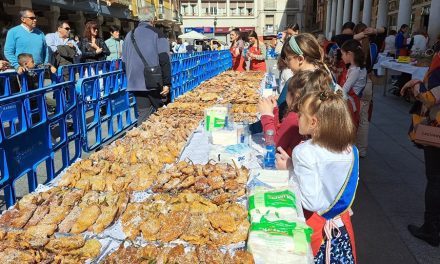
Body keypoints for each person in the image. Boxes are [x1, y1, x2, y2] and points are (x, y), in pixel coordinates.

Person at [276, 89, 359, 263]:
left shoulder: (305, 151)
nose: (296, 118)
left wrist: (289, 171)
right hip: (341, 228)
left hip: (318, 232)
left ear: (313, 122)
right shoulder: (351, 150)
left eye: (300, 115)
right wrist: (293, 165)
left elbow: (311, 201)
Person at [400, 51, 440, 247]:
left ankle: (431, 229)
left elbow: (431, 97)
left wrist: (416, 86)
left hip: (437, 128)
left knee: (435, 179)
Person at [258, 69, 332, 157]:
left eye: (287, 92)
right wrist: (274, 111)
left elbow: (275, 146)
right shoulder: (314, 112)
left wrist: (266, 116)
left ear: (294, 95)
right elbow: (281, 133)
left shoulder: (294, 117)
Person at [122, 10, 171, 123]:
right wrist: (167, 83)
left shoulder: (129, 35)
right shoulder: (158, 34)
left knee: (144, 113)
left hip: (134, 82)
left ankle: (143, 137)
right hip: (154, 82)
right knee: (162, 114)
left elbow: (124, 63)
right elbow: (164, 60)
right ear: (152, 20)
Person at [340, 39, 367, 129]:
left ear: (349, 54)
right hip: (353, 100)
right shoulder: (356, 68)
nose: (341, 57)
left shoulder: (355, 71)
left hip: (352, 103)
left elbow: (344, 90)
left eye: (343, 54)